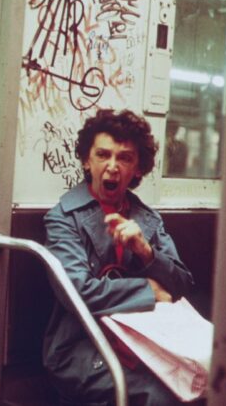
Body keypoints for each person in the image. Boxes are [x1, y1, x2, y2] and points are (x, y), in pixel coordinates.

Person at [42, 109, 195, 405]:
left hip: (149, 340)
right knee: (162, 397)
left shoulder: (147, 220)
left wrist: (146, 251)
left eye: (124, 158)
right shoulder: (63, 219)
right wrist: (148, 291)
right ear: (87, 161)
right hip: (83, 346)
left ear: (138, 168)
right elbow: (78, 292)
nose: (112, 167)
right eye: (103, 155)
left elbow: (182, 284)